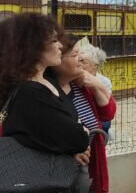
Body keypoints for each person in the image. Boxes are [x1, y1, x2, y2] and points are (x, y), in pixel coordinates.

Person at [0, 13, 90, 174]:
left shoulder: (48, 80)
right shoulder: (30, 93)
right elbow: (78, 138)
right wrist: (77, 138)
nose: (60, 46)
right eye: (54, 41)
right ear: (31, 47)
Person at [47, 35, 116, 193]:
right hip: (56, 175)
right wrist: (68, 151)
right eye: (74, 55)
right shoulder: (43, 91)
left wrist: (98, 85)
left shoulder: (79, 86)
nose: (81, 59)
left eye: (81, 54)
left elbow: (107, 114)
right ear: (56, 60)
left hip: (88, 168)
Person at [80, 43, 114, 134]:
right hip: (83, 117)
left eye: (84, 62)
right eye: (79, 61)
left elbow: (107, 106)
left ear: (95, 65)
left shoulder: (104, 81)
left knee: (104, 125)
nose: (80, 65)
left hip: (99, 116)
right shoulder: (75, 78)